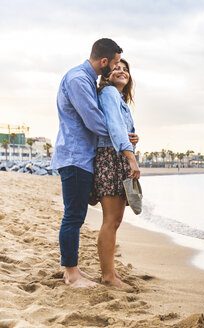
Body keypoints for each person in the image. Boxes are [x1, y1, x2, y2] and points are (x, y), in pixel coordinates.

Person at [51, 38, 122, 288]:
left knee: (76, 215)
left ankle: (74, 268)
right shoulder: (78, 79)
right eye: (113, 63)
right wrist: (120, 134)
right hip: (75, 157)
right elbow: (93, 120)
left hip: (80, 157)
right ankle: (71, 273)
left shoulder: (85, 79)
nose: (114, 69)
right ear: (103, 61)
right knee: (73, 216)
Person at [88, 58, 140, 287]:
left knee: (115, 220)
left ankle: (111, 272)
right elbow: (114, 128)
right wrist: (131, 158)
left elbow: (121, 129)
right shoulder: (109, 93)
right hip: (111, 158)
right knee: (110, 220)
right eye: (116, 68)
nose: (122, 71)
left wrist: (133, 138)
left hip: (115, 156)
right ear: (106, 75)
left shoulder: (119, 99)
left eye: (125, 69)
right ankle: (108, 276)